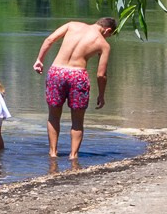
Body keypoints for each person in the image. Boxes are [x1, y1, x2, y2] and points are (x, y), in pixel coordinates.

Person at [32, 15, 116, 166]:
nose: (108, 38)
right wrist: (101, 95)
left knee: (53, 116)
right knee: (77, 121)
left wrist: (39, 60)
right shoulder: (103, 44)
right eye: (109, 35)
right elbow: (101, 74)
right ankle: (73, 156)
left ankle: (52, 153)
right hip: (77, 75)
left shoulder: (72, 25)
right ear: (107, 30)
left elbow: (49, 40)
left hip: (56, 72)